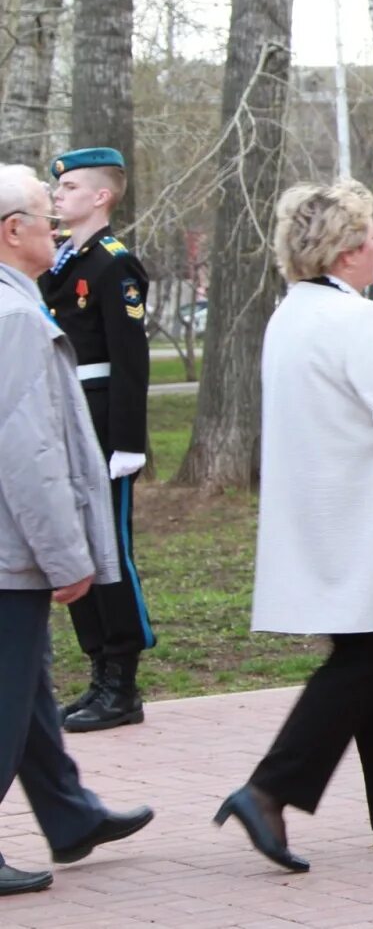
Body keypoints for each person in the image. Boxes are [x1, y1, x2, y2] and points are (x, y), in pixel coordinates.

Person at [216, 180, 373, 874]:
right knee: (364, 659)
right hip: (367, 509)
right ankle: (269, 789)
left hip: (322, 505)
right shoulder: (359, 322)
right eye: (366, 238)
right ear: (344, 251)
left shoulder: (292, 316)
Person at [0, 163, 154, 896]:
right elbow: (28, 456)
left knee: (23, 690)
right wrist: (68, 558)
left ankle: (68, 815)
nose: (53, 228)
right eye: (41, 214)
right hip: (8, 551)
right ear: (11, 232)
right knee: (5, 694)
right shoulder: (16, 319)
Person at [41, 147, 155, 731]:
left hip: (105, 428)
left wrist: (128, 443)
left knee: (111, 553)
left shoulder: (114, 265)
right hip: (66, 423)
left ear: (101, 197)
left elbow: (131, 362)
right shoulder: (61, 262)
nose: (58, 195)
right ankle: (98, 671)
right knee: (77, 550)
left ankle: (123, 679)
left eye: (71, 187)